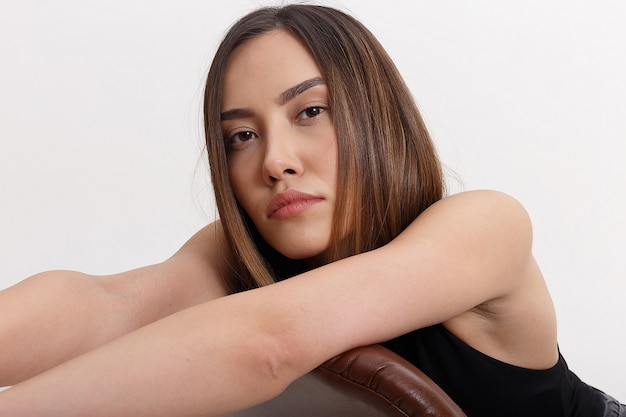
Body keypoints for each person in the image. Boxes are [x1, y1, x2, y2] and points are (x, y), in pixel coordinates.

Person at [0, 4, 622, 417]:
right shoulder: (237, 249)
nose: (275, 161)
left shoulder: (485, 225)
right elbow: (113, 306)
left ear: (378, 120)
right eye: (241, 135)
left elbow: (269, 341)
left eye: (309, 112)